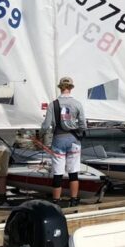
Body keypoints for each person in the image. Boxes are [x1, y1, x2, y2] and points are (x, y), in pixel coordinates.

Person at [41, 76, 86, 206]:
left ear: (60, 88)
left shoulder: (52, 104)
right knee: (73, 171)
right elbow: (83, 124)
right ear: (71, 88)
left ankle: (56, 201)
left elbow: (46, 125)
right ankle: (73, 200)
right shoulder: (77, 104)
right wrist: (80, 132)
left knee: (58, 172)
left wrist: (41, 134)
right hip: (73, 140)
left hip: (58, 139)